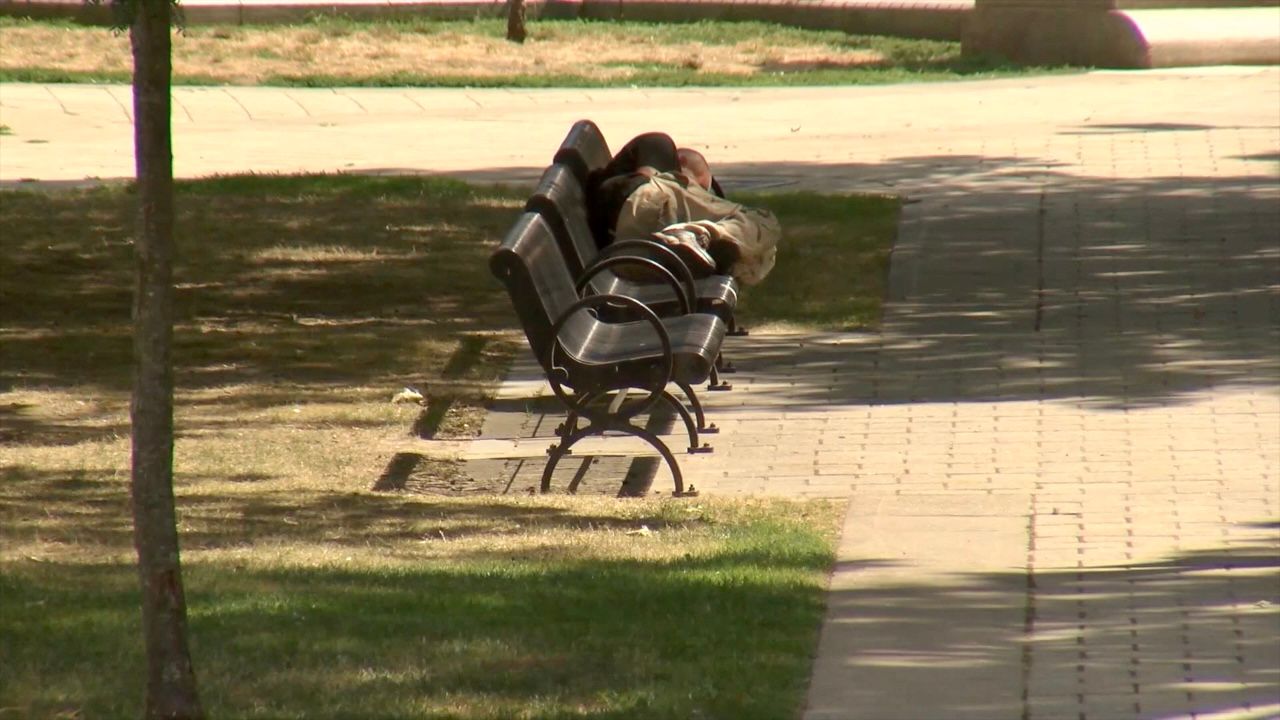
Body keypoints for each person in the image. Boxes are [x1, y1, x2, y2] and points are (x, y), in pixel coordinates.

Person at [585, 132, 780, 286]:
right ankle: (702, 236)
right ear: (683, 166)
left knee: (755, 247)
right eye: (704, 187)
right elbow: (647, 187)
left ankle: (700, 241)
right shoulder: (660, 147)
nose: (704, 196)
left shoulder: (617, 182)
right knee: (763, 222)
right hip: (651, 205)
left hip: (632, 239)